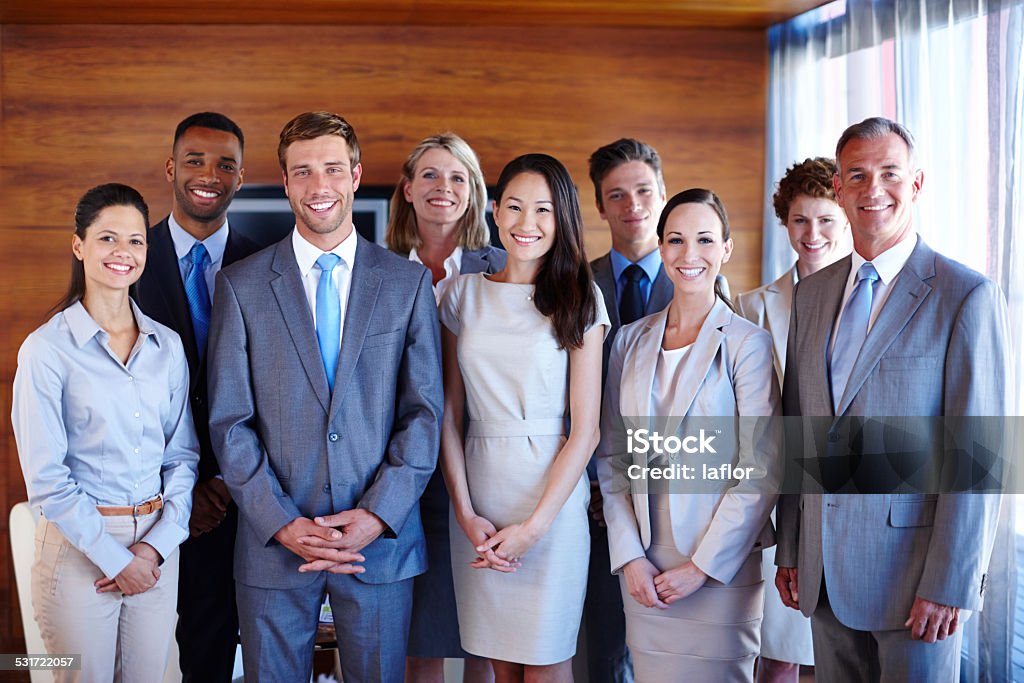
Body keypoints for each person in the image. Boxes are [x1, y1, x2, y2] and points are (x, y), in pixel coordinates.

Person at [207, 111, 443, 682]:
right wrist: (282, 522)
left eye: (333, 169)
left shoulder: (407, 284)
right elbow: (229, 422)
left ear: (356, 176)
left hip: (379, 545)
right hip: (274, 545)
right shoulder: (240, 285)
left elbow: (424, 414)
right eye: (303, 172)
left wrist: (375, 515)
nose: (319, 187)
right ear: (285, 182)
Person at [775, 117, 1010, 681]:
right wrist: (791, 546)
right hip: (823, 572)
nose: (872, 188)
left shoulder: (966, 295)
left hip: (916, 586)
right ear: (839, 188)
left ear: (918, 183)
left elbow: (979, 456)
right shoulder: (812, 293)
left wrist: (951, 583)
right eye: (856, 174)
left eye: (889, 173)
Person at [12, 183, 200, 682]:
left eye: (136, 241)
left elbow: (183, 458)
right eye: (108, 239)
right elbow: (48, 480)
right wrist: (115, 559)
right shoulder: (46, 350)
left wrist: (156, 547)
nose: (124, 253)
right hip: (81, 550)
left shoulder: (168, 347)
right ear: (79, 246)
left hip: (157, 549)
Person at [597, 188, 779, 682]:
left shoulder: (748, 344)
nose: (689, 254)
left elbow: (761, 470)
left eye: (704, 239)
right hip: (645, 567)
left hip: (720, 566)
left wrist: (702, 567)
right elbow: (612, 457)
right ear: (661, 248)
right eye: (676, 240)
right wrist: (629, 556)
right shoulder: (629, 340)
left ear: (726, 248)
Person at [438, 153, 608, 682]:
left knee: (547, 663)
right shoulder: (461, 295)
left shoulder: (580, 298)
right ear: (494, 211)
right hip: (479, 499)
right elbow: (448, 415)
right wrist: (466, 513)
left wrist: (534, 528)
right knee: (500, 668)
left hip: (550, 506)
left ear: (563, 220)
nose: (526, 224)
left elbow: (586, 430)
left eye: (543, 210)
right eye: (514, 207)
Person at [134, 111, 258, 683]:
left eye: (225, 164)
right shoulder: (125, 259)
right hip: (141, 503)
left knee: (213, 656)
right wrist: (176, 491)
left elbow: (282, 392)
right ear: (170, 168)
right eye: (195, 160)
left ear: (241, 176)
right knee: (127, 659)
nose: (209, 174)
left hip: (237, 504)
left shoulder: (270, 262)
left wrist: (225, 485)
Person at [386, 132, 503, 683]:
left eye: (458, 177)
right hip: (401, 477)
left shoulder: (506, 268)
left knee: (485, 636)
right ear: (407, 189)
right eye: (430, 175)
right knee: (418, 636)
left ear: (475, 193)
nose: (444, 187)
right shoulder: (376, 271)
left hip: (486, 472)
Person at [735, 157, 850, 682]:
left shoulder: (867, 300)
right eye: (801, 220)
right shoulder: (751, 308)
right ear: (785, 222)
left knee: (838, 655)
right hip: (778, 504)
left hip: (849, 501)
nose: (813, 233)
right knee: (778, 655)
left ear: (846, 217)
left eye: (826, 219)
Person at [583, 138, 670, 683]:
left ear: (661, 194)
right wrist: (593, 483)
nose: (632, 204)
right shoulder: (573, 281)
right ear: (600, 207)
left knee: (667, 647)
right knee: (604, 649)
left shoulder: (704, 279)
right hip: (591, 499)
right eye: (617, 195)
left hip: (671, 499)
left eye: (642, 190)